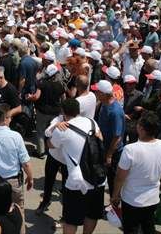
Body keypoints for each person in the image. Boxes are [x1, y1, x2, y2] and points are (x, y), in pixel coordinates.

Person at [49, 98, 105, 234]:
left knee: (71, 220)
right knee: (92, 214)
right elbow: (101, 140)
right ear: (78, 111)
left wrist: (56, 127)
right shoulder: (92, 122)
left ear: (63, 112)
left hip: (77, 181)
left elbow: (50, 145)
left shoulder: (63, 129)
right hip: (98, 178)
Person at [111, 112, 161, 234]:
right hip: (153, 199)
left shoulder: (131, 149)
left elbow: (120, 177)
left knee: (131, 229)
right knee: (148, 228)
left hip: (132, 200)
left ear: (141, 129)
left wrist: (115, 195)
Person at [92, 79, 125, 194]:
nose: (95, 94)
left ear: (103, 94)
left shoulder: (115, 112)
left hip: (113, 152)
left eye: (97, 92)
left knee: (112, 179)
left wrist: (109, 155)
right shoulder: (104, 104)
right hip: (104, 146)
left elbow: (117, 137)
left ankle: (114, 204)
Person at [25, 63, 65, 157]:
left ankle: (41, 152)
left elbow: (36, 97)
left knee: (40, 132)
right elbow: (63, 99)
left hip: (42, 112)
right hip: (55, 112)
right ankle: (51, 150)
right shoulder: (60, 85)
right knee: (52, 131)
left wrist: (30, 97)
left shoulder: (42, 83)